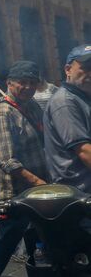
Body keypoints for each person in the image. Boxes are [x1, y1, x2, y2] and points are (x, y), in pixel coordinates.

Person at [0, 61, 49, 275]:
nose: (28, 87)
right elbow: (6, 161)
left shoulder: (32, 106)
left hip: (34, 195)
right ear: (9, 83)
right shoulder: (3, 112)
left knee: (38, 247)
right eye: (23, 83)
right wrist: (41, 184)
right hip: (12, 195)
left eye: (32, 83)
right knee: (3, 245)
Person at [43, 44, 91, 192]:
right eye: (86, 67)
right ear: (68, 70)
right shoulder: (65, 101)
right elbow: (84, 151)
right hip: (80, 194)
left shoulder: (82, 98)